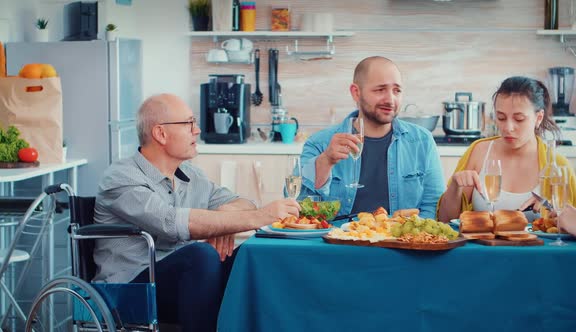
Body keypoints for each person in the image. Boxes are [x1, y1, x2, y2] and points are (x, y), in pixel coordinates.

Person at [93, 93, 300, 331]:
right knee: (200, 255)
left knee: (254, 252)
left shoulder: (192, 176)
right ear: (161, 133)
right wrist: (259, 217)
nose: (198, 130)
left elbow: (244, 202)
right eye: (189, 123)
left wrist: (224, 218)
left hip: (183, 284)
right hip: (128, 292)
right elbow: (170, 223)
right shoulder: (121, 177)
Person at [299, 56, 445, 218]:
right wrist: (325, 162)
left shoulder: (422, 141)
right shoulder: (320, 143)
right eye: (380, 90)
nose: (390, 99)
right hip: (338, 241)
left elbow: (433, 206)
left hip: (398, 241)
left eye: (396, 90)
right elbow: (299, 208)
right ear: (356, 93)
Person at [437, 76, 576, 223]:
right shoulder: (479, 151)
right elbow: (445, 221)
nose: (508, 128)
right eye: (501, 118)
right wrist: (455, 187)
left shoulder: (557, 166)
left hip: (537, 247)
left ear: (538, 118)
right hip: (482, 246)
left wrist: (553, 210)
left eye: (519, 119)